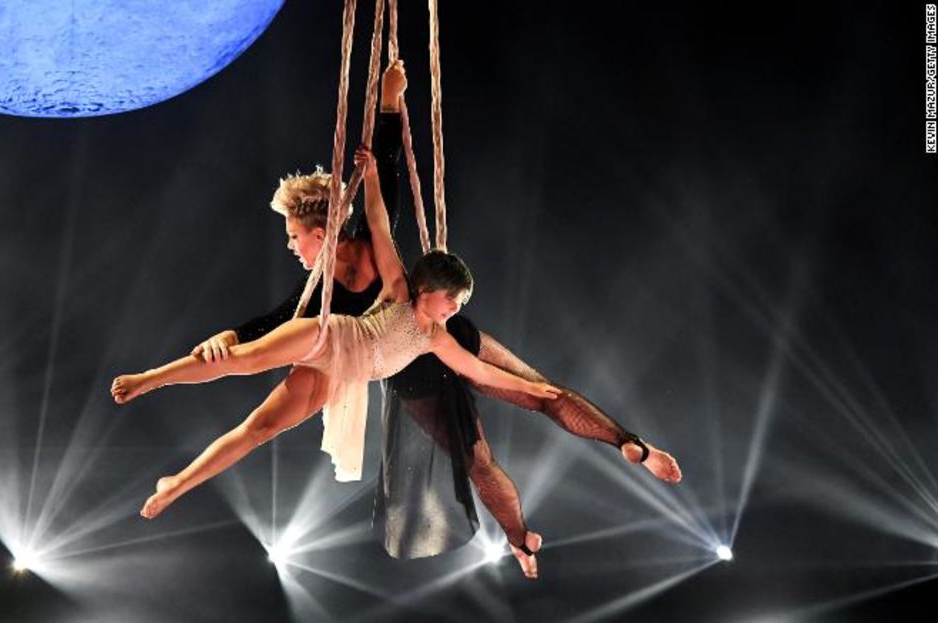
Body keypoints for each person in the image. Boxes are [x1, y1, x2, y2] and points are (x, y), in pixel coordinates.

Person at [190, 62, 681, 577]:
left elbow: (382, 176)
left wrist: (387, 102)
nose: (292, 247)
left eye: (294, 236)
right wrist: (233, 335)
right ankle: (532, 530)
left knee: (519, 417)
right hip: (420, 370)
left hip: (435, 348)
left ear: (321, 230)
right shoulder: (320, 291)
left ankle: (626, 451)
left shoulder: (367, 247)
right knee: (503, 433)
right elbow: (277, 320)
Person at [111, 141, 562, 572]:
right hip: (333, 341)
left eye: (293, 236)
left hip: (351, 371)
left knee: (262, 427)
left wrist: (532, 388)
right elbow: (379, 218)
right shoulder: (388, 289)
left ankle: (178, 481)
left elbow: (479, 369)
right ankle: (152, 381)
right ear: (431, 292)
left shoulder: (437, 338)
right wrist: (368, 176)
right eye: (453, 303)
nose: (455, 312)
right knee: (244, 362)